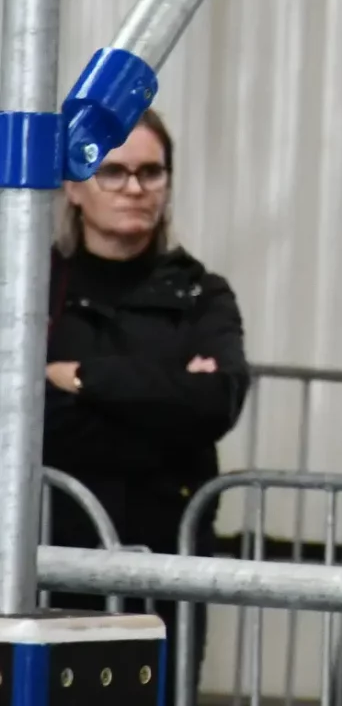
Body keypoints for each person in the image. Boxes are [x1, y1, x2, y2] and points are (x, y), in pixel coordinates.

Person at [44, 111, 248, 673]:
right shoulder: (35, 288)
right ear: (74, 186)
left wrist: (83, 377)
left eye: (151, 172)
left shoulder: (201, 294)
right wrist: (165, 407)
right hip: (47, 557)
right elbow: (32, 418)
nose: (134, 188)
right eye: (113, 172)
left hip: (166, 563)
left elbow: (214, 403)